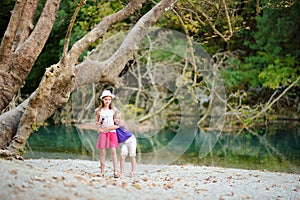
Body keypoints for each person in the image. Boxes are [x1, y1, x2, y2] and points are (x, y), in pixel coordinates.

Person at [100, 111, 137, 177]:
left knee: (132, 156)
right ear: (113, 118)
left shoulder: (120, 124)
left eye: (119, 118)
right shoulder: (113, 125)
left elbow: (112, 128)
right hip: (124, 143)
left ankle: (133, 172)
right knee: (122, 156)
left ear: (121, 119)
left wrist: (104, 129)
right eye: (115, 118)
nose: (117, 120)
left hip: (131, 140)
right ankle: (122, 172)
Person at [95, 90, 119, 178]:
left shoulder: (113, 110)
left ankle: (115, 171)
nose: (107, 101)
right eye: (106, 99)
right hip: (103, 133)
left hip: (112, 132)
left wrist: (109, 127)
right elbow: (97, 122)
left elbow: (117, 124)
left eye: (109, 99)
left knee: (113, 151)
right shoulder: (99, 111)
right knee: (102, 152)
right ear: (102, 100)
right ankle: (102, 171)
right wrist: (99, 126)